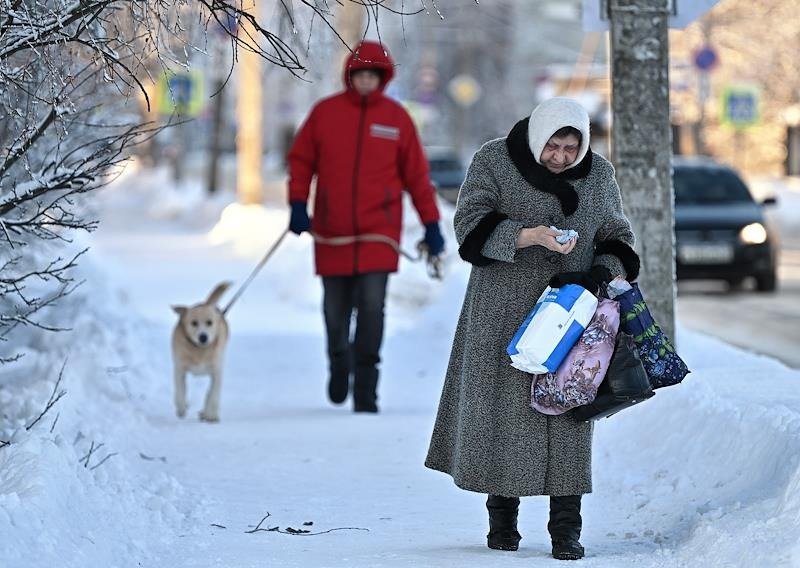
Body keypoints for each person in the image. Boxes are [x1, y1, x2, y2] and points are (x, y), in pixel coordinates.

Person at [424, 97, 640, 560]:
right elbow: (469, 228)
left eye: (570, 148)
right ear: (538, 137)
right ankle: (502, 523)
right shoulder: (494, 160)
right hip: (503, 312)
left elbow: (618, 236)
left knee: (569, 415)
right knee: (504, 416)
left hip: (573, 316)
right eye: (553, 147)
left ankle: (566, 531)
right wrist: (529, 235)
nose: (561, 157)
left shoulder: (599, 174)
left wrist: (599, 272)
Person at [286, 40, 444, 414]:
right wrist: (296, 203)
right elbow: (301, 161)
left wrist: (432, 225)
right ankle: (339, 360)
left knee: (372, 308)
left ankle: (366, 388)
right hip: (332, 232)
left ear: (383, 78)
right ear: (350, 75)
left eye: (373, 75)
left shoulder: (397, 119)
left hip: (379, 234)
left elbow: (418, 178)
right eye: (360, 74)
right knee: (334, 312)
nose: (367, 81)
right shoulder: (325, 114)